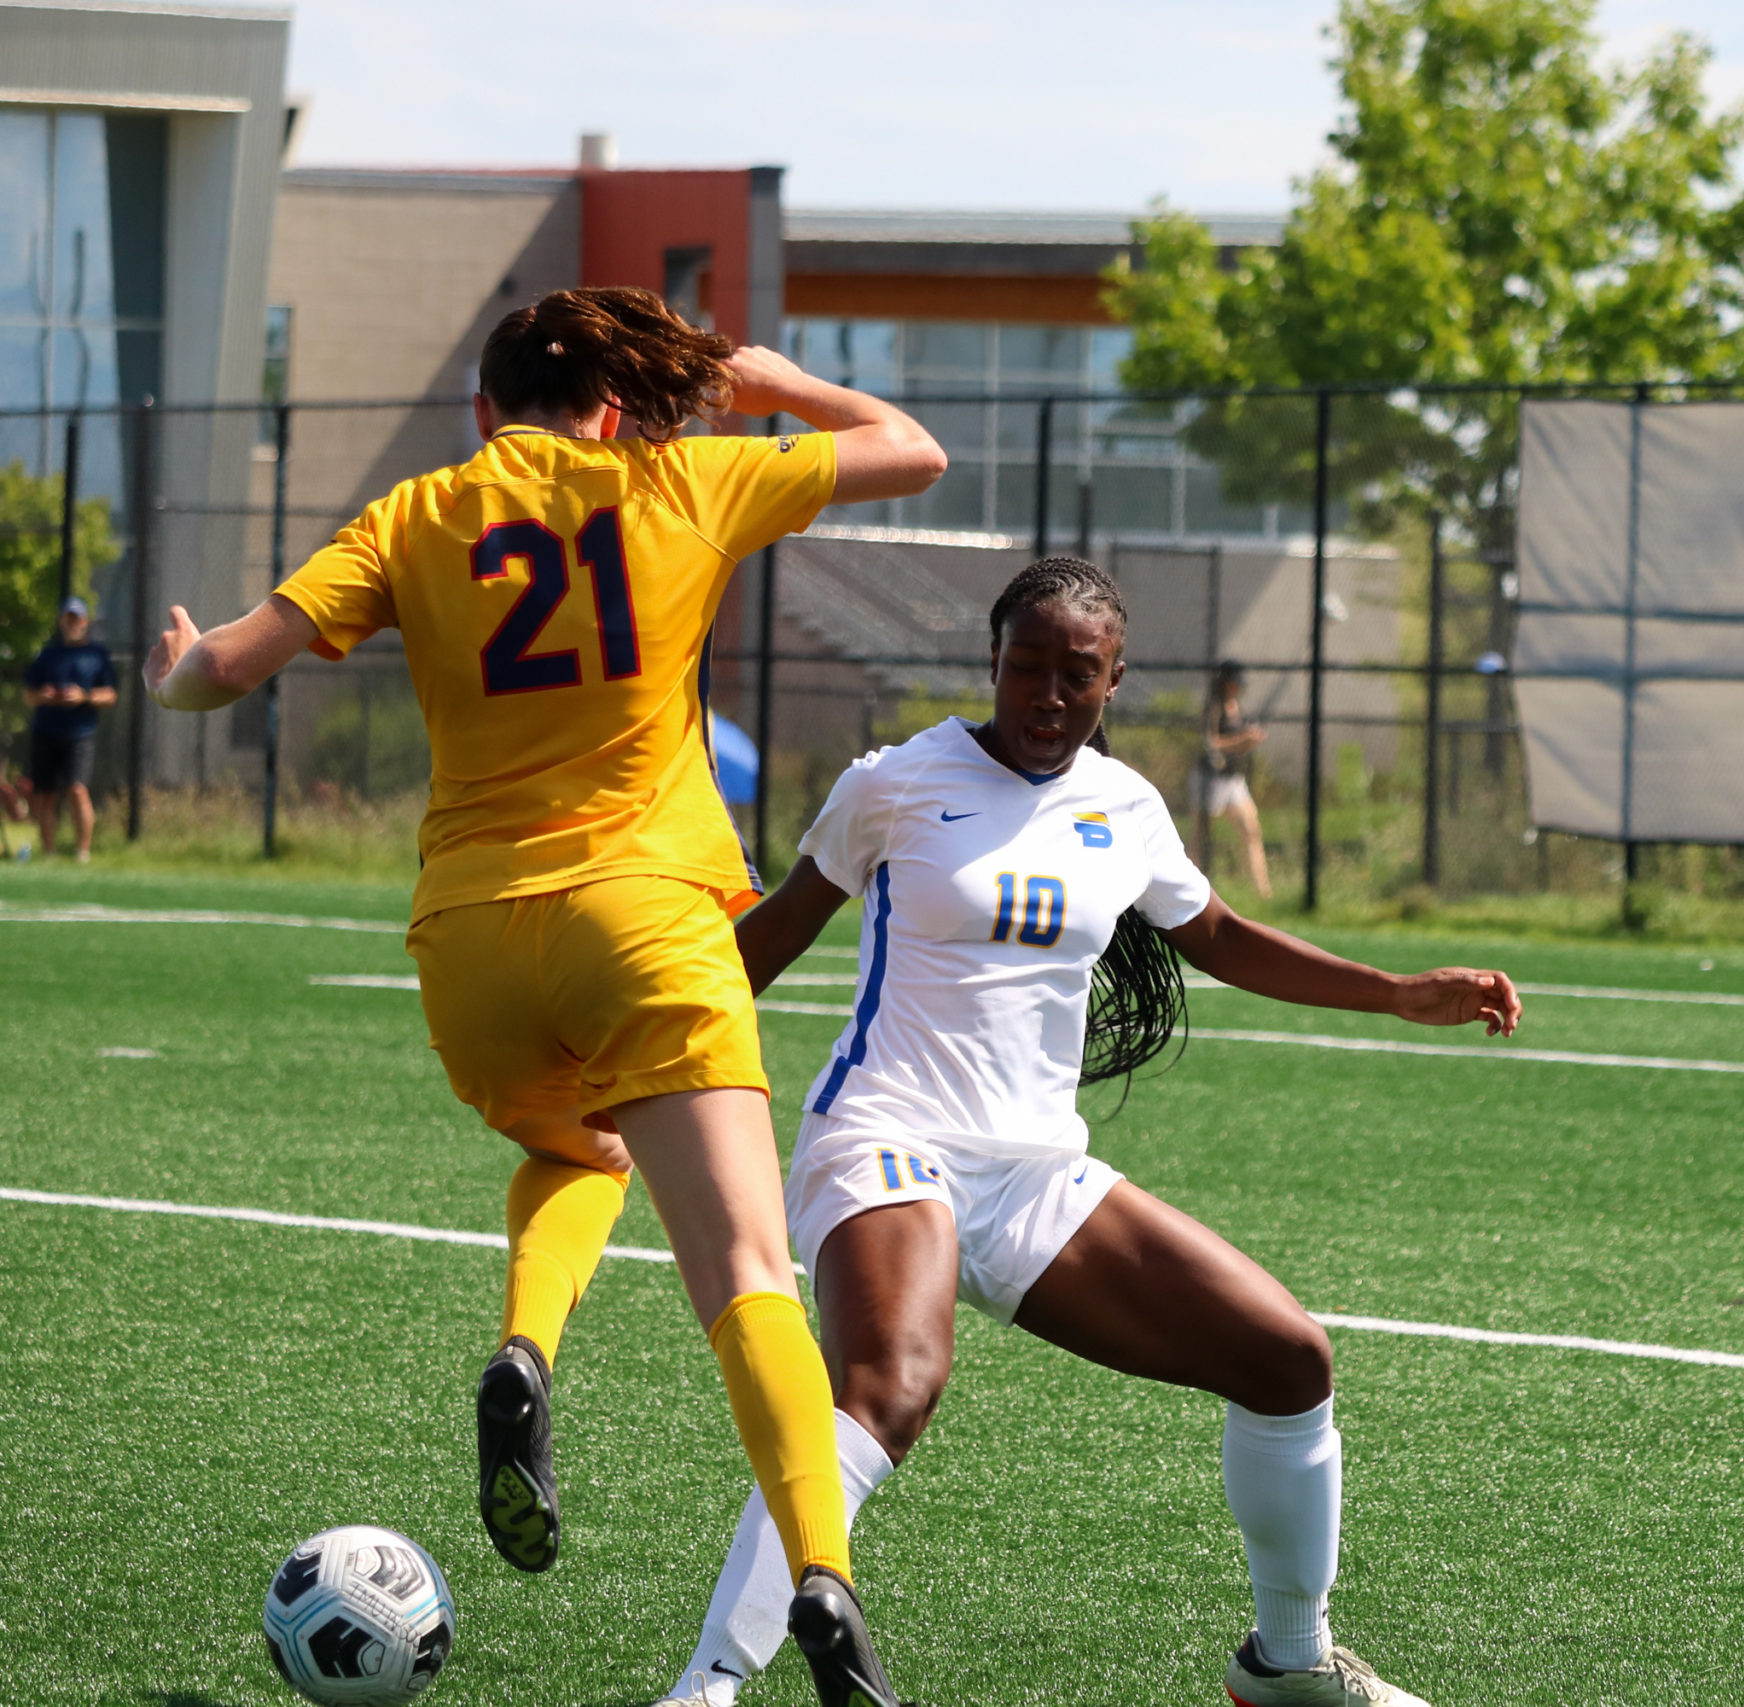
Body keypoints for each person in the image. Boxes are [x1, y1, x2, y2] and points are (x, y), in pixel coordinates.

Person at [143, 286, 948, 1707]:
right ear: (619, 407)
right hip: (648, 915)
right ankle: (824, 1571)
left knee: (577, 1144)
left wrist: (177, 673)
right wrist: (771, 386)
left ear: (483, 412)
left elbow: (224, 670)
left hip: (469, 935)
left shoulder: (414, 512)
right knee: (752, 1274)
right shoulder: (687, 475)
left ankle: (527, 1342)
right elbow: (913, 451)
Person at [653, 558, 1520, 1707]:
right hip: (885, 1136)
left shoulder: (1125, 807)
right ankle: (708, 1687)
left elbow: (1219, 936)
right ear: (992, 662)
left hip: (1033, 1174)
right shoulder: (895, 782)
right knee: (890, 1385)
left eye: (1077, 673)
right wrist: (643, 1066)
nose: (1047, 692)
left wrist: (1398, 991)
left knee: (1287, 1360)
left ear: (1115, 683)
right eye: (1026, 665)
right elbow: (770, 939)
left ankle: (1288, 1666)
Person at [22, 596, 119, 861]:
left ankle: (82, 852)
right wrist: (48, 695)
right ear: (61, 621)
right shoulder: (48, 654)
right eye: (68, 618)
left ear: (85, 622)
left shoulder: (96, 655)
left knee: (77, 789)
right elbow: (29, 695)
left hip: (80, 734)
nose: (72, 623)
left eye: (76, 618)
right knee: (44, 794)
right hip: (46, 731)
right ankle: (49, 853)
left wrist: (83, 696)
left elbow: (110, 695)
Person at [1200, 659, 1271, 898]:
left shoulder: (1236, 706)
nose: (1239, 687)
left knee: (1251, 831)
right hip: (1211, 780)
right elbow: (1211, 743)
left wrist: (1249, 741)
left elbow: (1235, 744)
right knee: (1200, 839)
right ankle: (1187, 893)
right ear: (1226, 682)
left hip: (1234, 780)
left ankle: (1263, 893)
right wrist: (1241, 740)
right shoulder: (1214, 706)